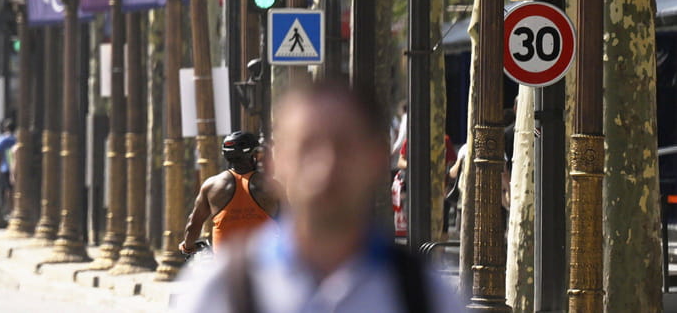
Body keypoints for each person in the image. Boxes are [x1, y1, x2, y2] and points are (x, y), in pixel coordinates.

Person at [169, 80, 467, 312]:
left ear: (377, 159)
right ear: (277, 163)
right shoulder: (219, 292)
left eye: (344, 147)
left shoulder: (426, 296)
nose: (326, 168)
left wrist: (188, 243)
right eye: (307, 148)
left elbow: (193, 226)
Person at [179, 130, 280, 257]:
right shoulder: (271, 186)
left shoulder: (211, 186)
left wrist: (188, 247)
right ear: (253, 154)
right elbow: (291, 224)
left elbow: (193, 224)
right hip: (264, 260)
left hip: (226, 263)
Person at [0, 118, 17, 203]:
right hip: (17, 166)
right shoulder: (16, 139)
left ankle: (9, 208)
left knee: (7, 189)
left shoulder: (2, 139)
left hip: (5, 166)